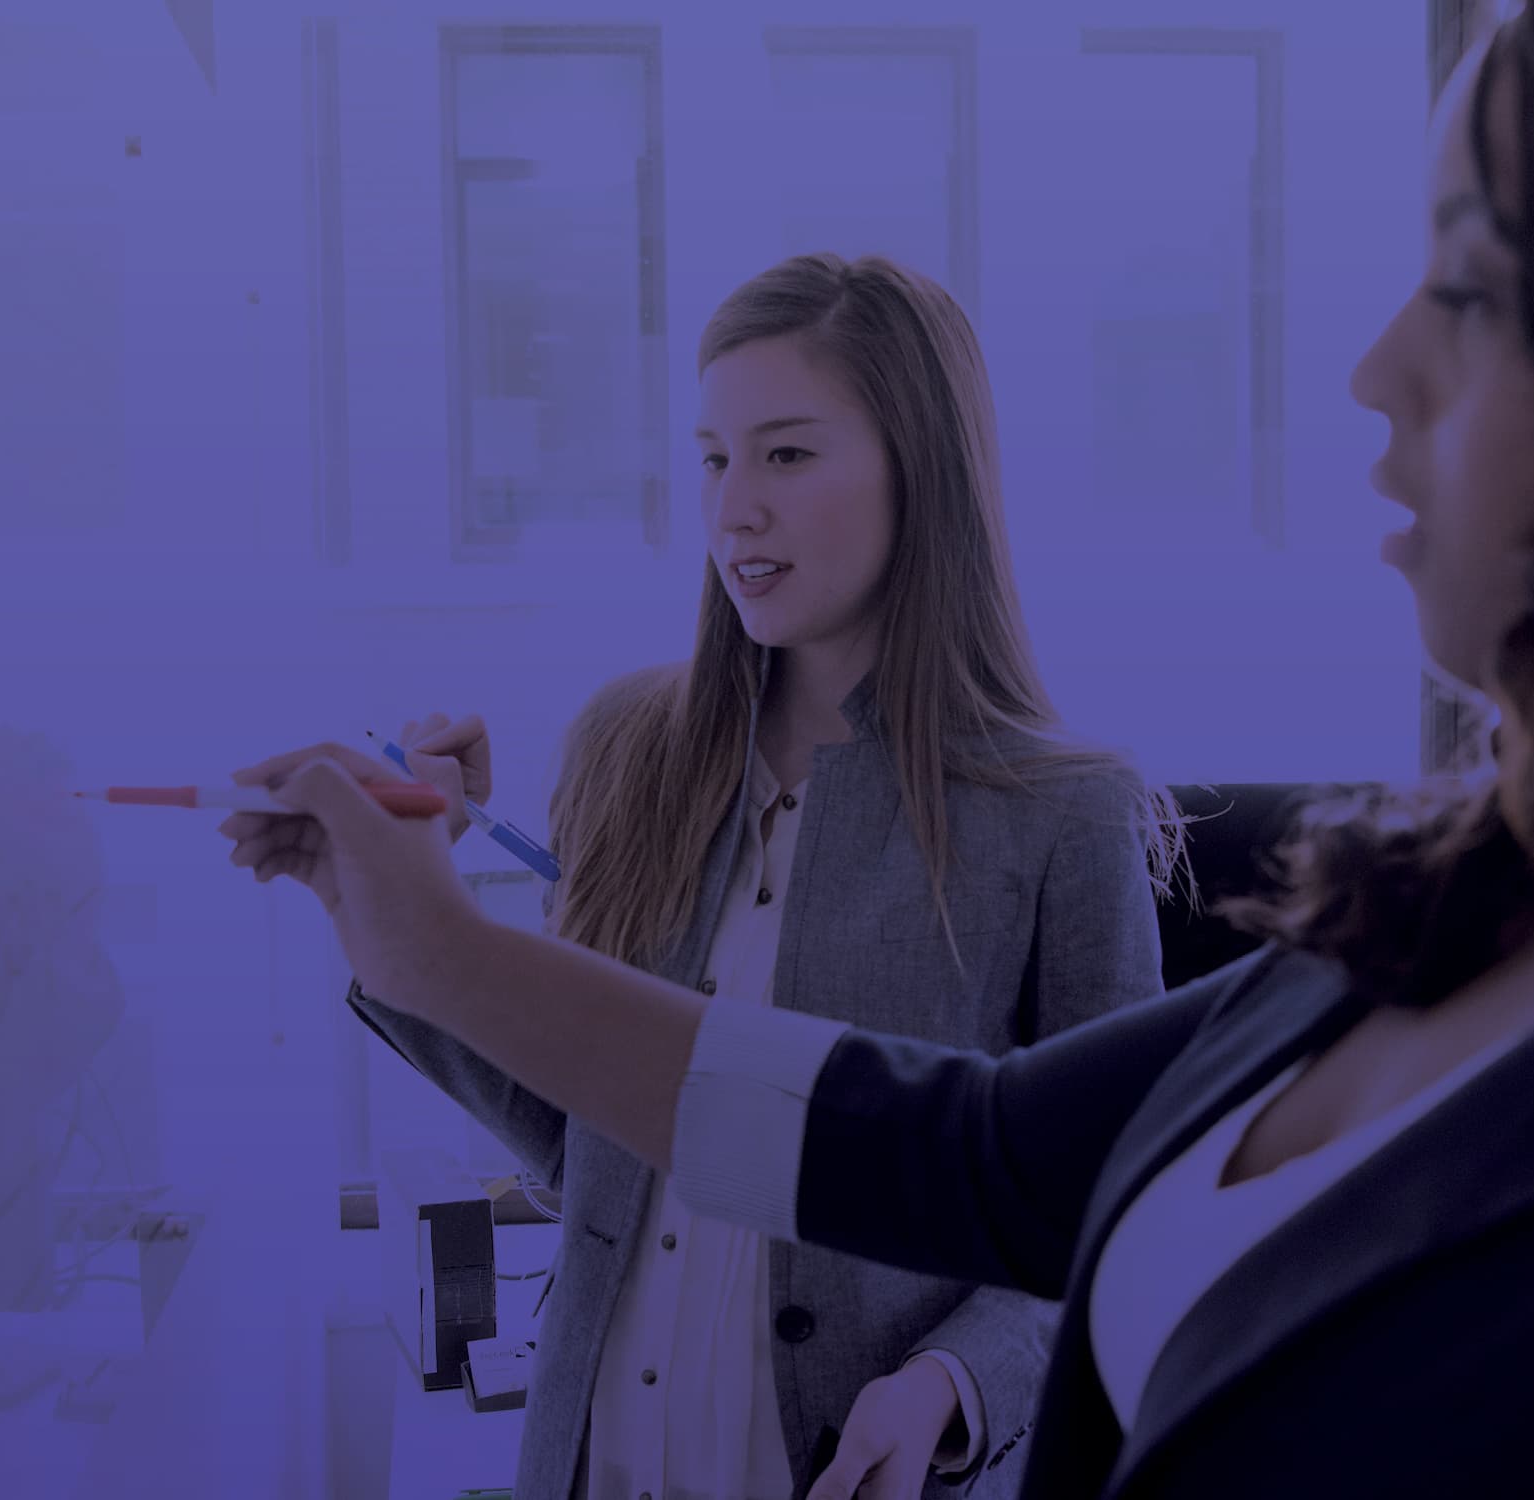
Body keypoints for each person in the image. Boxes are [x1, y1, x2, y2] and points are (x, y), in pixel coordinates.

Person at [225, 3, 1534, 1493]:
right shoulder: (1448, 892)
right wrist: (434, 949)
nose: (1374, 367)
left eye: (1476, 288)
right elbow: (953, 1145)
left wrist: (933, 1395)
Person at [306, 253, 1181, 1500]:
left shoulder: (1061, 811)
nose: (733, 512)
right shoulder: (625, 749)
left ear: (919, 472)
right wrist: (400, 906)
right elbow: (579, 1140)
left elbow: (1109, 1226)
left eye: (786, 455)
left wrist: (951, 1386)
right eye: (714, 458)